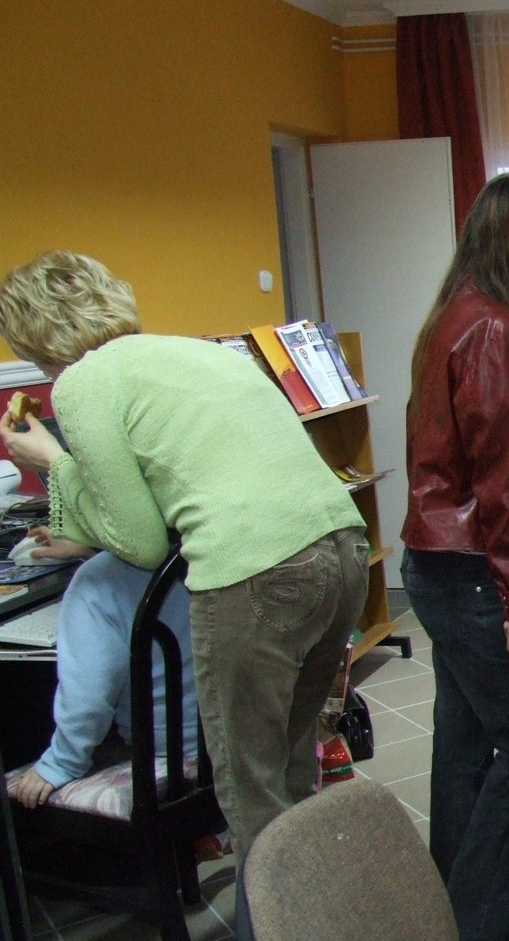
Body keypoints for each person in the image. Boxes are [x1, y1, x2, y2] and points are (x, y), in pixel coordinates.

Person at [0, 252, 367, 860]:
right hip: (343, 550)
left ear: (31, 333)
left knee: (252, 797)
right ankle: (320, 905)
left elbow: (141, 542)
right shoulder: (198, 353)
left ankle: (272, 923)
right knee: (291, 766)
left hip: (256, 574)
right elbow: (172, 488)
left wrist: (50, 462)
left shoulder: (83, 384)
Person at [400, 172, 509, 941]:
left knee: (465, 740)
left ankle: (462, 905)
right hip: (478, 569)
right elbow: (502, 480)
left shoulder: (453, 312)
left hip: (439, 563)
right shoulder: (498, 327)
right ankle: (485, 927)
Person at [6, 540, 198, 809]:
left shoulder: (97, 580)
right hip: (225, 738)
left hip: (167, 750)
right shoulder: (194, 551)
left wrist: (60, 763)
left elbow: (88, 699)